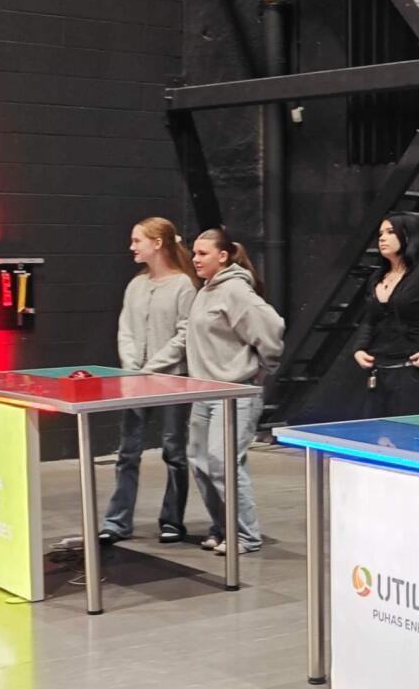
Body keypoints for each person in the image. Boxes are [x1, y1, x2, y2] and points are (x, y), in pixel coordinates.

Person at [149, 228, 284, 555]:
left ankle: (246, 535)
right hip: (204, 391)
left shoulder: (236, 290)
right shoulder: (205, 291)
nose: (195, 259)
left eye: (203, 253)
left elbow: (272, 327)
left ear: (223, 256)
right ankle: (223, 527)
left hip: (235, 393)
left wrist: (264, 368)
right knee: (200, 462)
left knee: (223, 463)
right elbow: (187, 338)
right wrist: (150, 368)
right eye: (194, 252)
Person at [97, 218, 199, 545]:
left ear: (157, 243)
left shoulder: (183, 285)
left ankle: (172, 520)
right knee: (128, 451)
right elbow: (125, 328)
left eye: (137, 240)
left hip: (172, 379)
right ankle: (117, 522)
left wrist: (153, 367)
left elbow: (185, 333)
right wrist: (131, 367)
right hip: (136, 380)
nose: (131, 247)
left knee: (174, 451)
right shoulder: (135, 286)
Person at [351, 213, 419, 417]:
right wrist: (359, 347)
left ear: (407, 236)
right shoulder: (377, 277)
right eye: (380, 234)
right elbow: (369, 319)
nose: (382, 238)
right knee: (376, 431)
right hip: (380, 372)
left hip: (415, 374)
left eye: (390, 232)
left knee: (413, 432)